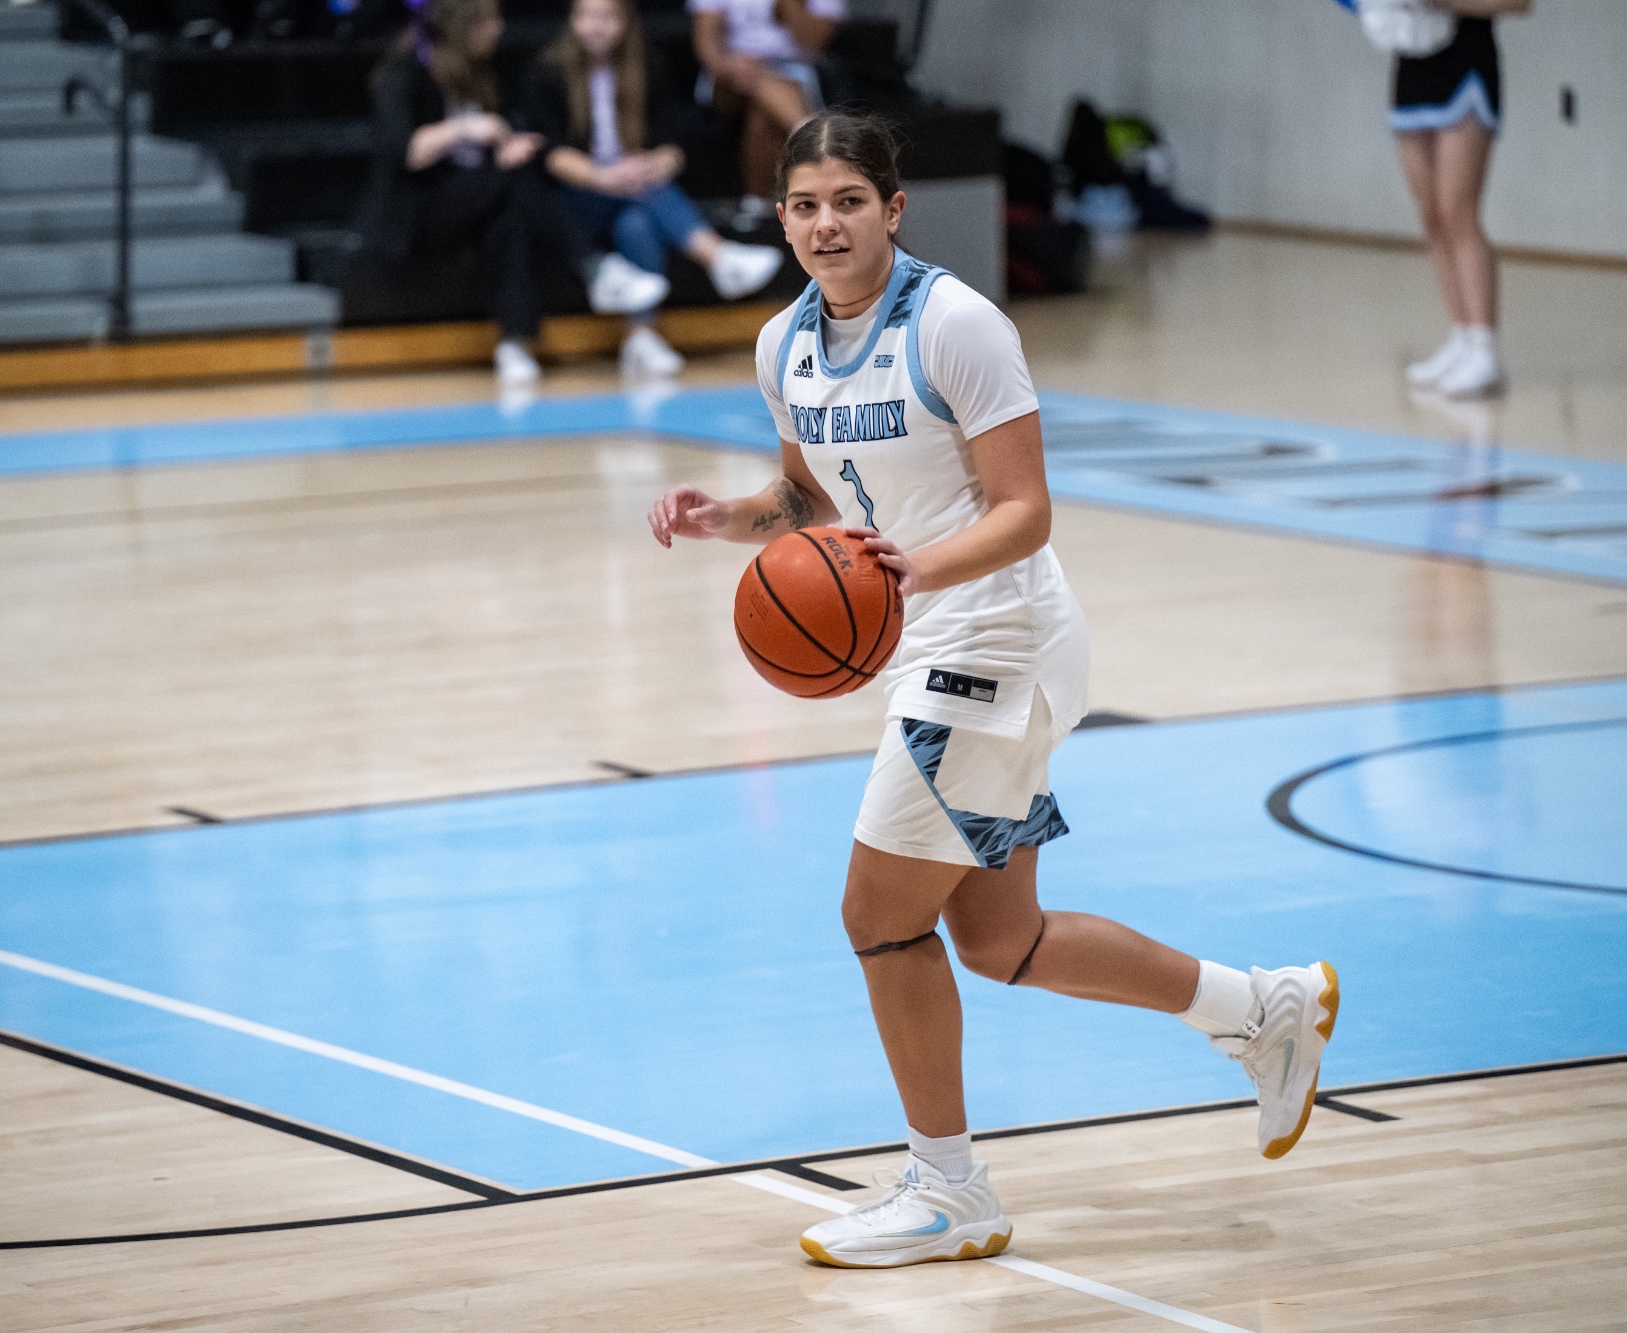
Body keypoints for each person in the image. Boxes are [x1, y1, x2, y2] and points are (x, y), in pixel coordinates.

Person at [646, 112, 1339, 1269]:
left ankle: (946, 1187)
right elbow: (812, 497)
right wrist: (734, 517)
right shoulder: (785, 345)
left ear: (892, 210)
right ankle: (1256, 1008)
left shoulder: (957, 324)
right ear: (780, 219)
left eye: (849, 202)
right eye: (805, 205)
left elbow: (1024, 508)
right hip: (937, 636)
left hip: (995, 636)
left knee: (877, 920)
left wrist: (919, 567)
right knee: (1000, 938)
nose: (826, 224)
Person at [356, 0, 668, 388]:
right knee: (516, 184)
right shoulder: (404, 73)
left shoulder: (481, 71)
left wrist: (509, 145)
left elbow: (488, 148)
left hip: (474, 197)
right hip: (417, 210)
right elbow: (404, 152)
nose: (498, 29)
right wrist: (466, 128)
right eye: (489, 21)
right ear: (463, 26)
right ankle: (594, 267)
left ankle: (514, 345)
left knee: (510, 220)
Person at [521, 0, 784, 377]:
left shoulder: (648, 66)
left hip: (634, 190)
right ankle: (716, 255)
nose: (597, 28)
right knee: (638, 191)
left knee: (637, 222)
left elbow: (673, 139)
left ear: (624, 22)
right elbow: (548, 152)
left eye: (607, 18)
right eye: (587, 17)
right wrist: (604, 176)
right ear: (573, 20)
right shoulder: (547, 72)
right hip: (574, 200)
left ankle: (640, 337)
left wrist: (660, 163)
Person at [1393, 0, 1532, 399]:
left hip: (1466, 67)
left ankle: (1484, 346)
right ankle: (1461, 336)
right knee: (1432, 217)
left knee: (1458, 212)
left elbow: (1519, 4)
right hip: (1413, 62)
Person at [688, 0, 841, 233]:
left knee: (761, 115)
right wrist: (733, 67)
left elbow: (813, 44)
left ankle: (757, 210)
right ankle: (810, 135)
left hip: (791, 71)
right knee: (754, 80)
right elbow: (706, 46)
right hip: (727, 74)